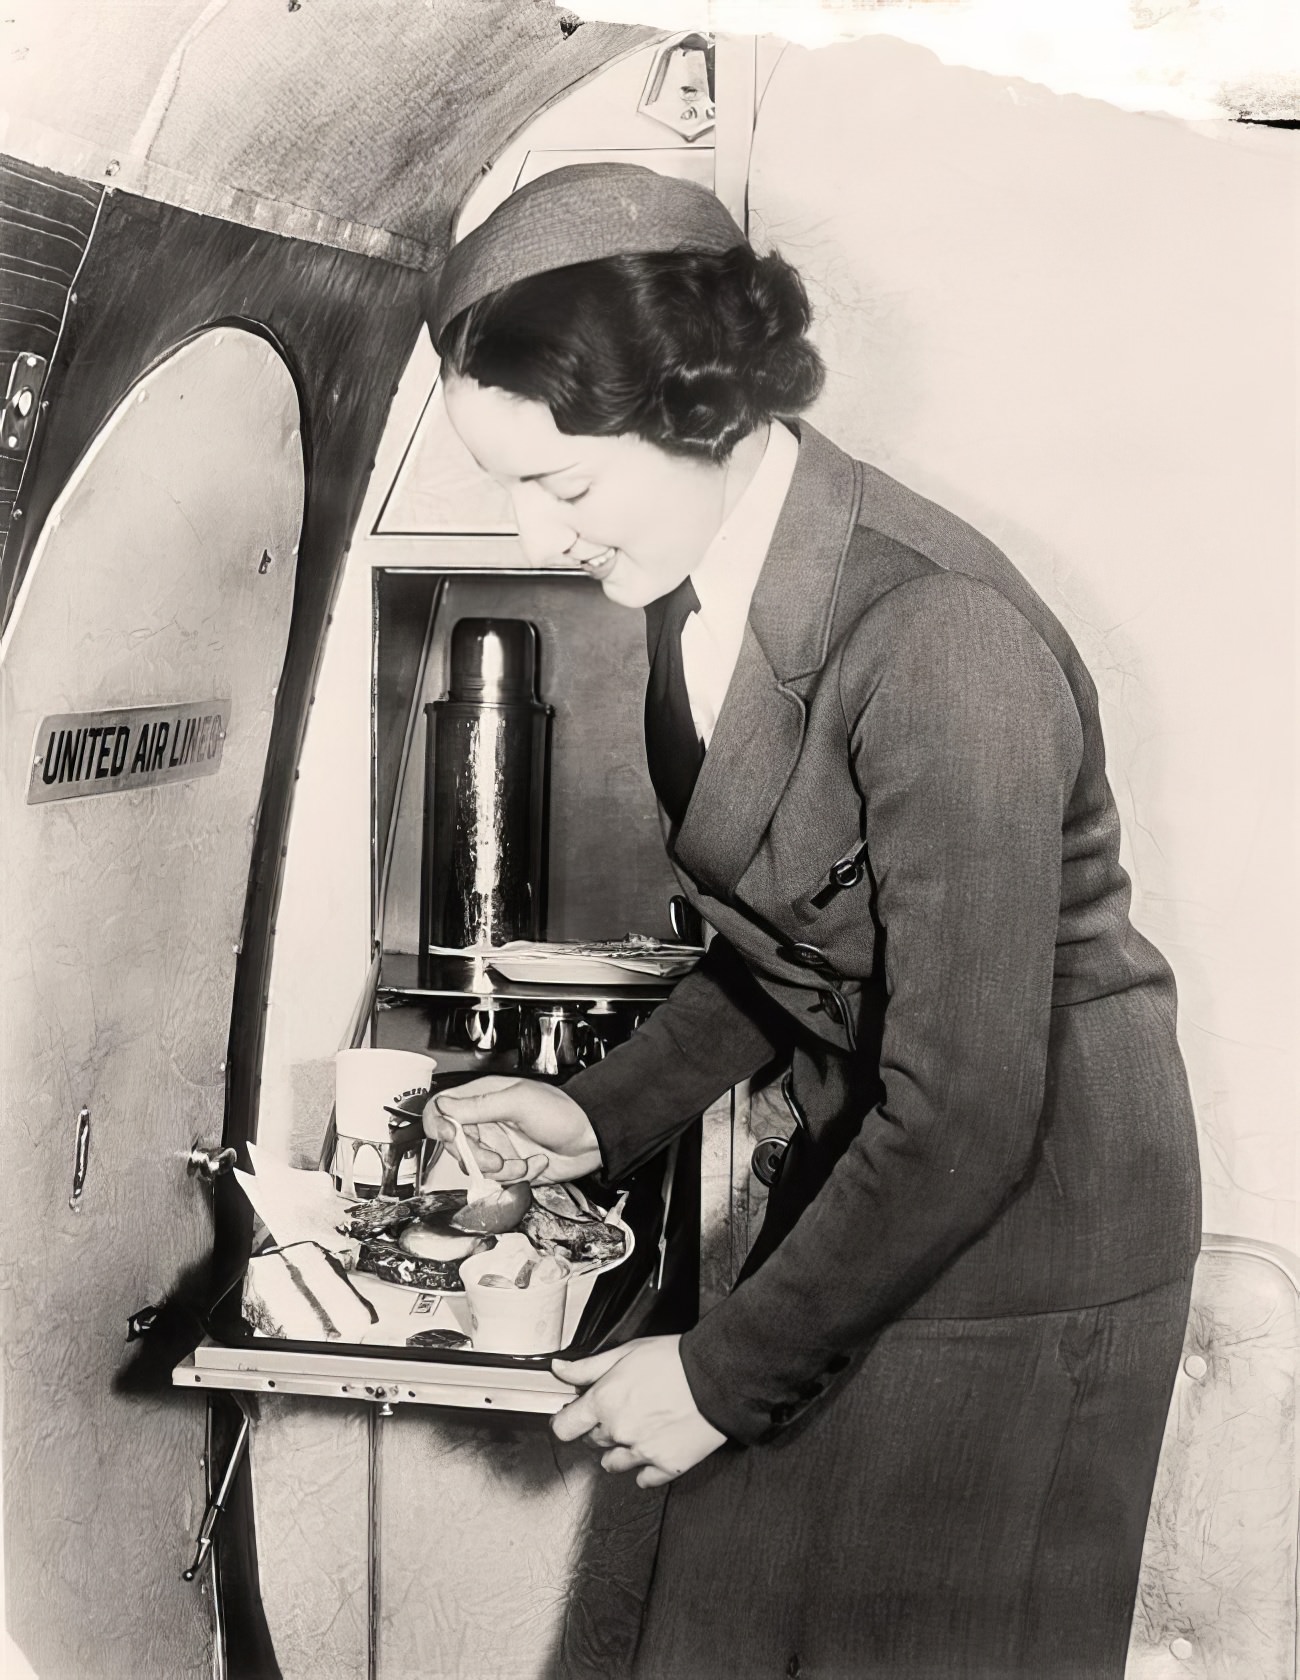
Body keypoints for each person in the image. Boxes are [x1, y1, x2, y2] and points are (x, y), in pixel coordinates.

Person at [420, 162, 1201, 1680]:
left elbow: (970, 1099)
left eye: (561, 484)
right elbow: (794, 935)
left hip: (1031, 1224)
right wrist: (596, 1121)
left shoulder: (935, 634)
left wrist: (719, 1375)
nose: (533, 535)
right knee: (720, 1631)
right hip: (893, 1166)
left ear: (699, 409)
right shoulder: (703, 591)